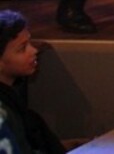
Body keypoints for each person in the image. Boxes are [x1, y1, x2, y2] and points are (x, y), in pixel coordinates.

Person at [0, 11, 66, 154]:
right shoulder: (4, 114)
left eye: (30, 43)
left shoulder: (14, 100)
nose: (34, 50)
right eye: (22, 48)